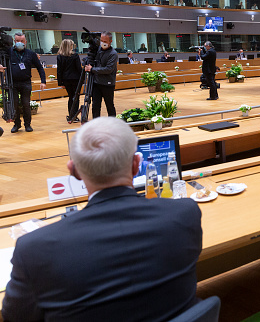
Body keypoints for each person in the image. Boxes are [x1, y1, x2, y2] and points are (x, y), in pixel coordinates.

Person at [1, 117, 203, 321]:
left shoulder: (33, 249)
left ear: (74, 171)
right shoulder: (186, 213)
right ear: (136, 165)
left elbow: (15, 317)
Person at [8, 32, 46, 133]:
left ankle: (27, 124)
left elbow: (39, 68)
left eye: (21, 41)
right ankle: (16, 124)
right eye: (17, 41)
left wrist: (43, 81)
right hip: (13, 83)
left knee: (26, 104)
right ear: (14, 41)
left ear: (25, 42)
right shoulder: (9, 52)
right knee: (14, 104)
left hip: (26, 83)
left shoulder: (31, 54)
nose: (19, 43)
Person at [85, 31, 117, 119]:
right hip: (96, 83)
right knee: (95, 106)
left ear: (110, 41)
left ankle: (113, 124)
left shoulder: (113, 54)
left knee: (109, 105)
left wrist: (92, 69)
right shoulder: (97, 50)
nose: (103, 43)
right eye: (101, 40)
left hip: (108, 84)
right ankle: (96, 124)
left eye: (105, 41)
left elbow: (108, 69)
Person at [56, 39, 82, 123]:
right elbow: (78, 68)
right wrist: (83, 79)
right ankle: (74, 116)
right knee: (76, 97)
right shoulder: (75, 56)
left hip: (66, 80)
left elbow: (59, 70)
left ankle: (71, 115)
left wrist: (60, 82)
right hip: (75, 80)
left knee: (71, 97)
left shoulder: (60, 56)